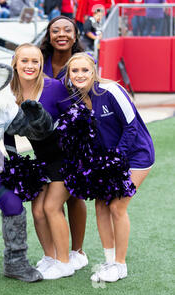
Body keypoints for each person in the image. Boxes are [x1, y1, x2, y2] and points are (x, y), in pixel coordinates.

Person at [64, 53, 155, 282]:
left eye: (85, 70)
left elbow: (131, 127)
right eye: (75, 71)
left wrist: (116, 159)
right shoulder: (75, 99)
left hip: (136, 154)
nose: (80, 75)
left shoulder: (111, 90)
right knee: (101, 206)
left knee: (116, 206)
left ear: (94, 70)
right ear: (69, 74)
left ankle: (120, 265)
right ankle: (109, 261)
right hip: (105, 160)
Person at [8, 43, 84, 279]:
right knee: (38, 210)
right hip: (42, 159)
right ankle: (50, 257)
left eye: (35, 62)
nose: (30, 66)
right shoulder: (9, 92)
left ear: (41, 64)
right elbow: (6, 131)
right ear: (15, 64)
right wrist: (16, 162)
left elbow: (79, 119)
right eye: (25, 61)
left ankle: (65, 262)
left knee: (51, 207)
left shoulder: (54, 88)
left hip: (67, 157)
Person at [37, 15, 89, 269]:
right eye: (55, 30)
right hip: (46, 143)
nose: (61, 34)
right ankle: (53, 254)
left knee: (73, 195)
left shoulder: (82, 63)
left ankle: (77, 252)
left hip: (74, 140)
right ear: (49, 35)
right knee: (50, 200)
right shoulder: (39, 62)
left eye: (67, 30)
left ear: (75, 35)